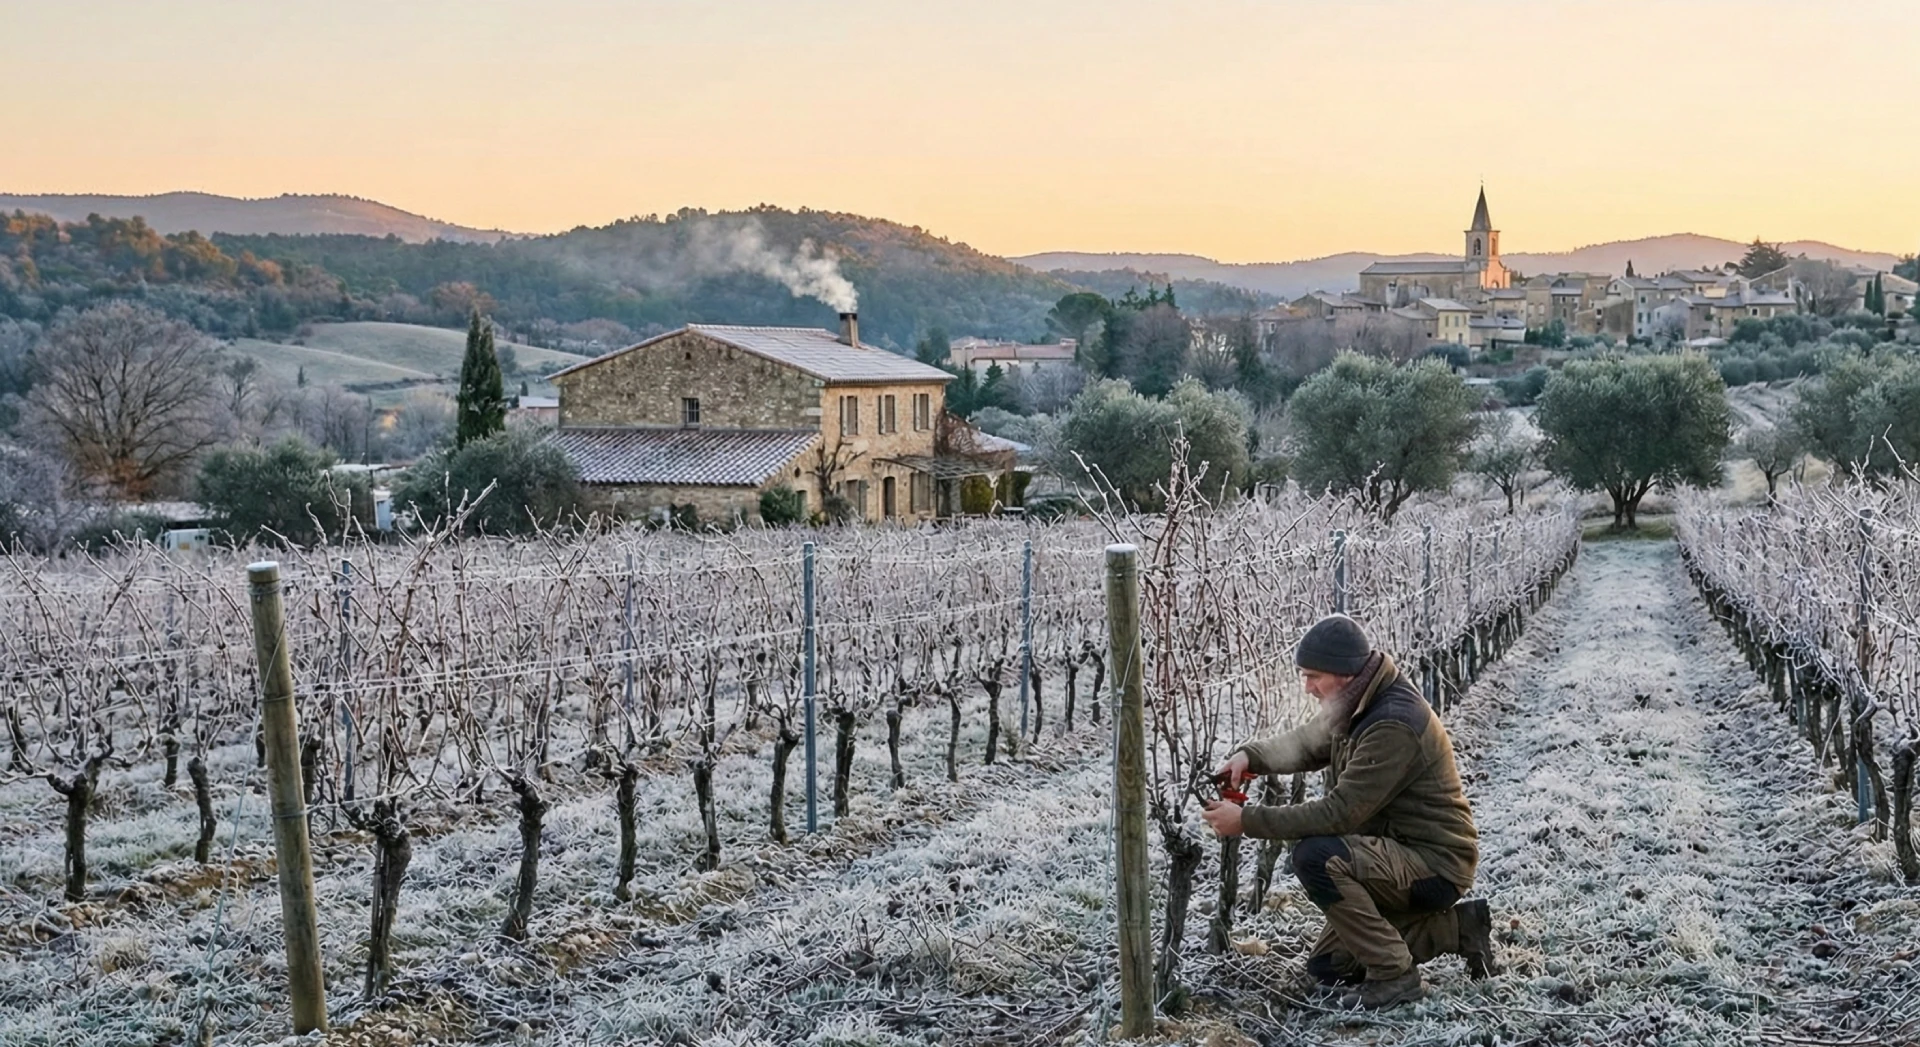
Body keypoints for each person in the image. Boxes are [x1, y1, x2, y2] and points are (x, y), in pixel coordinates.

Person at [1201, 613, 1497, 1009]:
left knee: (1316, 856)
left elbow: (1339, 814)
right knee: (1330, 967)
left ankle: (1396, 977)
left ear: (1342, 673)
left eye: (1313, 676)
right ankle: (1458, 929)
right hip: (1393, 851)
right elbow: (1307, 744)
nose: (1307, 687)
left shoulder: (1392, 723)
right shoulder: (1357, 701)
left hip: (1434, 864)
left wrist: (1247, 822)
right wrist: (1250, 756)